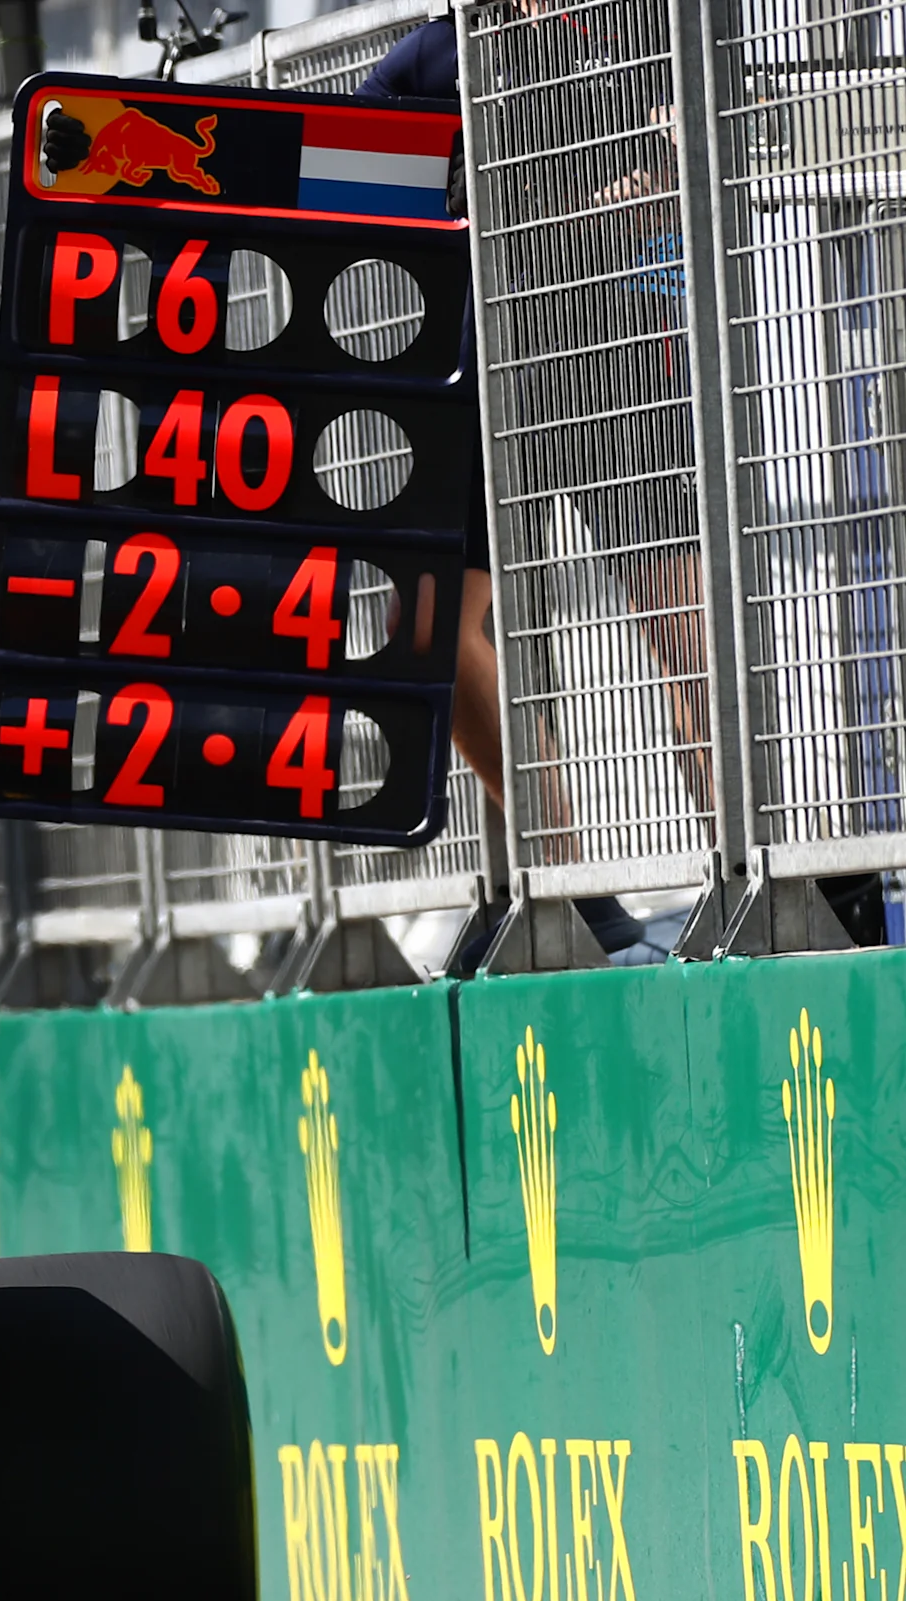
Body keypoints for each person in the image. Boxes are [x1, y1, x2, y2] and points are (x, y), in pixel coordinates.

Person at [361, 14, 657, 959]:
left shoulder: (626, 30)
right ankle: (572, 887)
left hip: (613, 348)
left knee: (686, 609)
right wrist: (444, 199)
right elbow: (343, 185)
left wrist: (649, 185)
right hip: (473, 363)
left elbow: (695, 149)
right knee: (430, 629)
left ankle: (769, 871)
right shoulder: (429, 55)